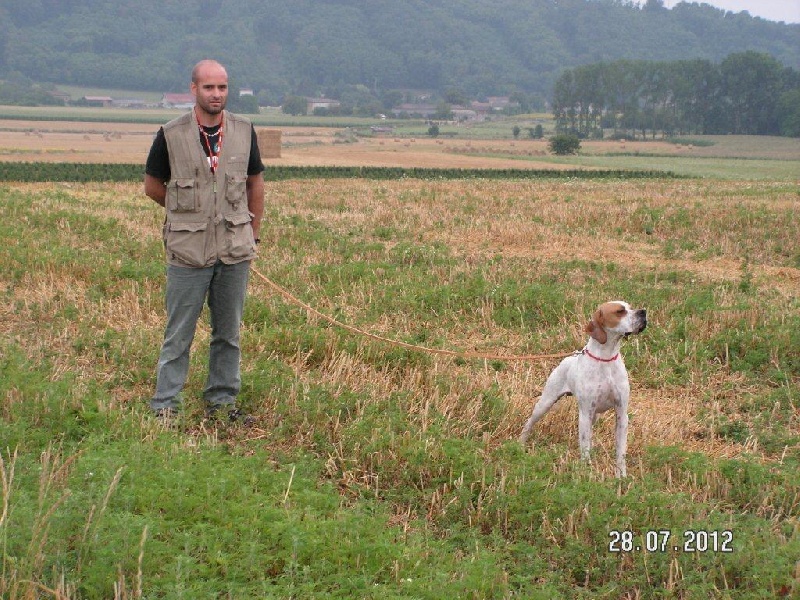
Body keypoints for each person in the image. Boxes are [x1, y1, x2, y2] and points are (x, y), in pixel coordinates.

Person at [144, 59, 265, 424]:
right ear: (193, 89)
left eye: (223, 87)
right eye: (209, 87)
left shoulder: (244, 131)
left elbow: (254, 184)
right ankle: (165, 405)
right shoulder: (170, 134)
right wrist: (188, 211)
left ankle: (223, 403)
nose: (217, 94)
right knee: (178, 333)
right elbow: (152, 186)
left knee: (228, 333)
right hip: (188, 250)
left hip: (234, 249)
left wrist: (253, 233)